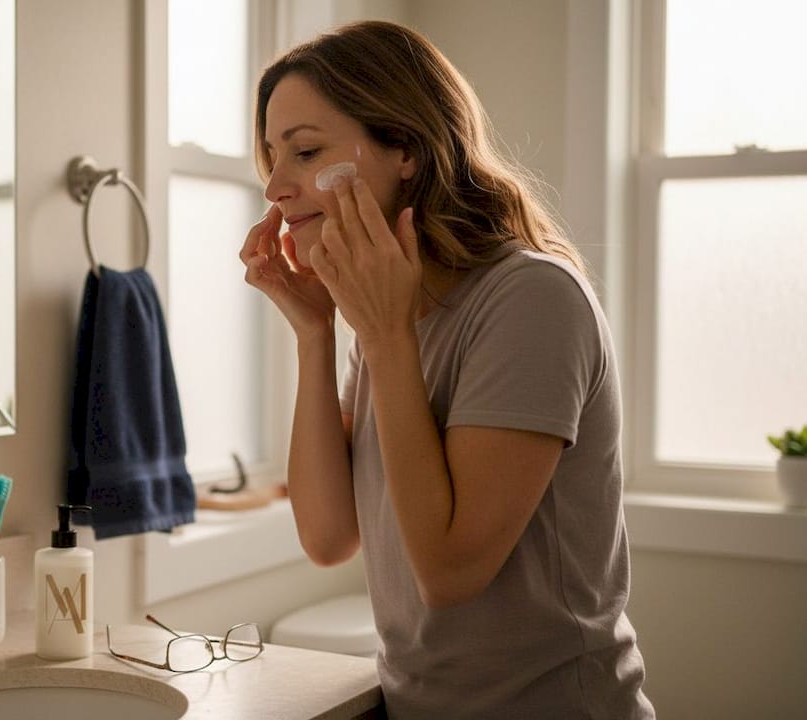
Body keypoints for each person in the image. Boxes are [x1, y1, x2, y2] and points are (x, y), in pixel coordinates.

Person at [240, 21, 654, 719]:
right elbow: (328, 536)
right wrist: (315, 333)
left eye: (306, 151)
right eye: (272, 159)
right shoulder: (395, 314)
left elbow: (450, 572)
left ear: (404, 147)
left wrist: (383, 335)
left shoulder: (532, 299)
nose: (277, 186)